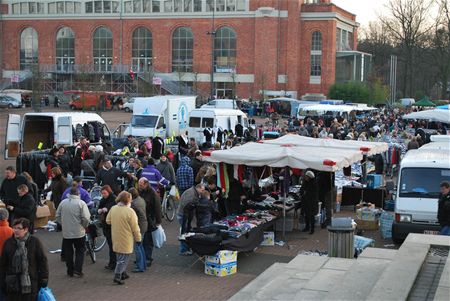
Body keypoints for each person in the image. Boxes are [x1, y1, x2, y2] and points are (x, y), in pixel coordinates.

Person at [0, 218, 49, 301]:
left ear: (26, 229)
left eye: (19, 228)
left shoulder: (34, 242)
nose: (15, 230)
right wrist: (2, 281)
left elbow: (42, 261)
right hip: (12, 284)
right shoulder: (8, 243)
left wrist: (44, 278)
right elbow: (3, 264)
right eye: (14, 228)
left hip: (30, 283)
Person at [106, 191, 142, 285]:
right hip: (126, 238)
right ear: (128, 200)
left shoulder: (113, 208)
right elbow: (135, 227)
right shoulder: (130, 211)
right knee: (124, 258)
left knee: (119, 256)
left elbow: (108, 221)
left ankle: (123, 273)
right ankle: (117, 275)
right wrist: (138, 238)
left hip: (116, 236)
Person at [55, 183, 90, 277]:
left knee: (69, 251)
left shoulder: (63, 203)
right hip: (79, 232)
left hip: (66, 232)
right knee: (80, 250)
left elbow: (57, 215)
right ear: (78, 194)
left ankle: (70, 270)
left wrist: (63, 224)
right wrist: (84, 226)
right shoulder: (81, 203)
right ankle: (78, 270)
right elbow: (86, 218)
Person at [138, 178, 161, 267]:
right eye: (139, 184)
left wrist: (158, 221)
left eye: (141, 185)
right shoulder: (140, 191)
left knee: (148, 240)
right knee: (142, 240)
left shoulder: (152, 194)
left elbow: (157, 208)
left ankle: (148, 258)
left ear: (146, 184)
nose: (139, 186)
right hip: (141, 220)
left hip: (149, 220)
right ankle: (143, 258)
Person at [176, 183, 205, 256]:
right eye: (202, 190)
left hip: (184, 214)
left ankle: (186, 248)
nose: (202, 191)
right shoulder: (191, 194)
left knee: (186, 231)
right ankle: (183, 250)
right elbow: (186, 207)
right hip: (183, 215)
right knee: (185, 232)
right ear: (198, 188)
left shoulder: (193, 192)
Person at [98, 185, 117, 270]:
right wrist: (99, 210)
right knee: (111, 245)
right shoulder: (103, 200)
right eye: (102, 193)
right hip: (106, 225)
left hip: (112, 225)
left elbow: (112, 207)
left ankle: (113, 263)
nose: (103, 195)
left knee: (112, 245)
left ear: (108, 192)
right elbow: (99, 206)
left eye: (104, 193)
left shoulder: (113, 199)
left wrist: (106, 209)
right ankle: (113, 263)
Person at [129, 188, 147, 272]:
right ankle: (143, 264)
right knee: (140, 246)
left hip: (139, 226)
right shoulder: (141, 200)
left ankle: (140, 266)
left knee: (137, 247)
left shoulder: (134, 204)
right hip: (144, 224)